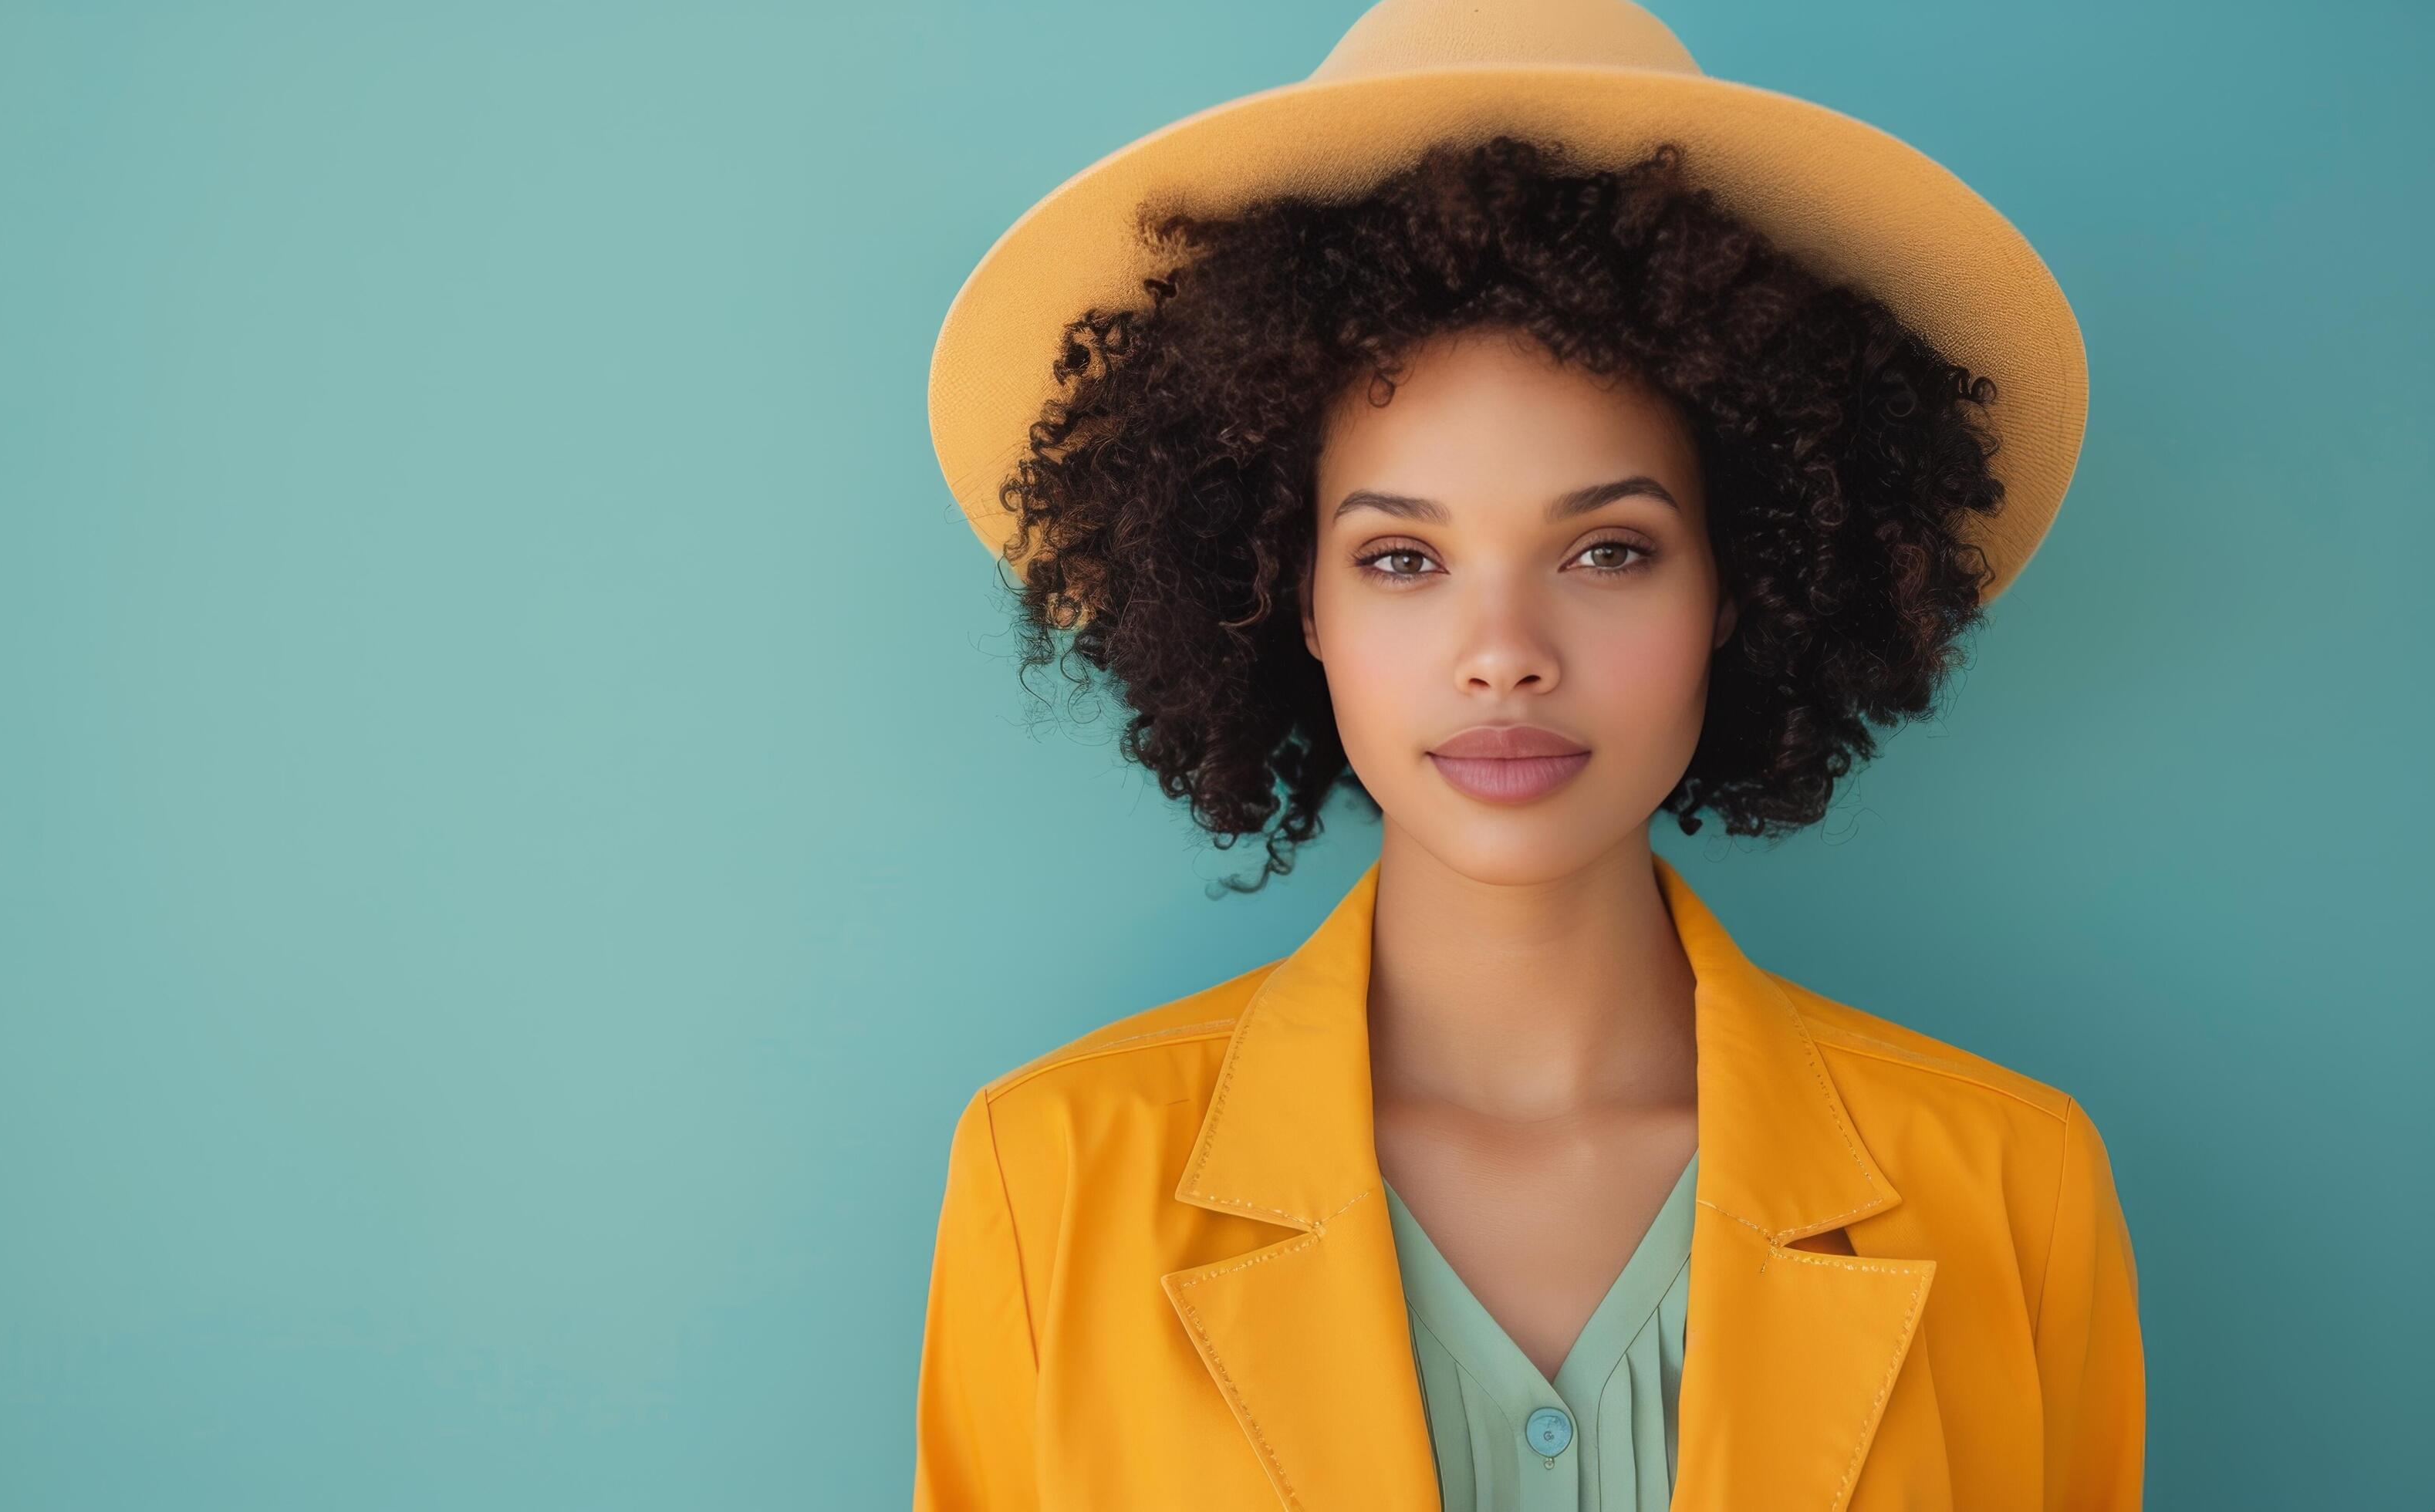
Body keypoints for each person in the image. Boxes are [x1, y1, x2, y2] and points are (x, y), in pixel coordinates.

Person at [910, 2, 2144, 1508]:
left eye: (1610, 548)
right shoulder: (1049, 1179)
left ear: (1740, 585)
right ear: (1292, 594)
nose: (1504, 648)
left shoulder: (2011, 1184)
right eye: (1402, 558)